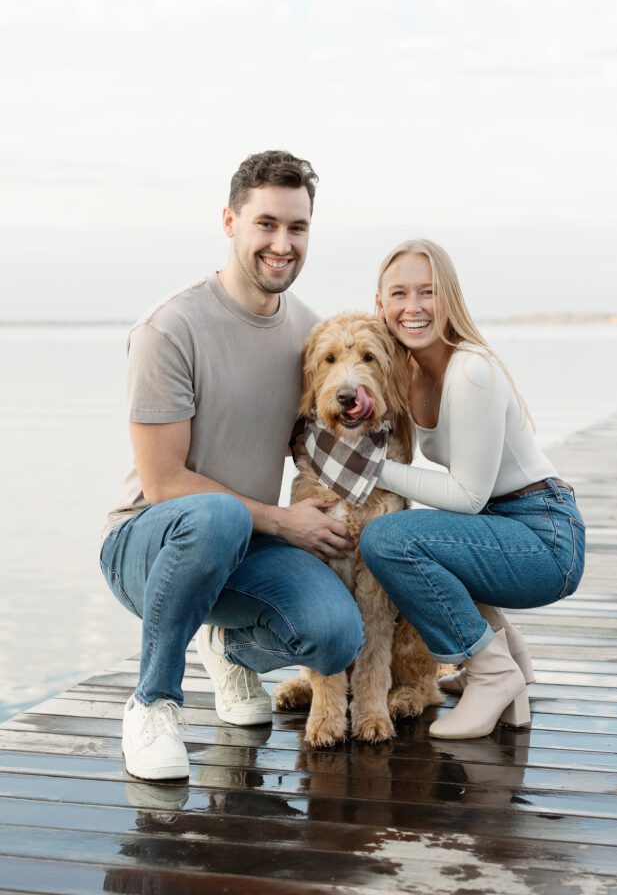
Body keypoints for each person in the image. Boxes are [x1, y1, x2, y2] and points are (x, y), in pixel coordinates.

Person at [100, 150, 362, 781]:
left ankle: (227, 645)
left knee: (336, 636)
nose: (282, 243)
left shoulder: (309, 334)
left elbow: (324, 442)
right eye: (266, 224)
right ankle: (152, 705)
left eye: (297, 228)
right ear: (230, 222)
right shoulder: (171, 328)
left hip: (247, 546)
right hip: (149, 541)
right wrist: (282, 521)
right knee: (215, 516)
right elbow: (164, 483)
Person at [359, 239, 585, 740]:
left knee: (388, 539)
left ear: (450, 299)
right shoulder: (411, 371)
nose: (412, 307)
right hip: (506, 526)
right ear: (380, 304)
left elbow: (467, 497)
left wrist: (366, 470)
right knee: (429, 534)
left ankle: (492, 671)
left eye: (427, 292)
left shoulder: (471, 369)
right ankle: (514, 665)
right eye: (399, 294)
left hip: (546, 539)